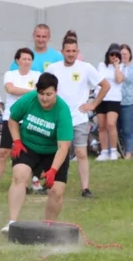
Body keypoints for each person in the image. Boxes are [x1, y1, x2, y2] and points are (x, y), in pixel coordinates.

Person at [1, 73, 73, 233]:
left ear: (56, 92)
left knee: (57, 190)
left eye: (49, 94)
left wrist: (53, 171)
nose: (45, 98)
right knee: (20, 175)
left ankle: (49, 226)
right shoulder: (29, 99)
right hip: (28, 146)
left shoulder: (63, 111)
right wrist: (17, 141)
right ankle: (12, 223)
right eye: (41, 94)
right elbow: (12, 120)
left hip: (53, 152)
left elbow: (63, 146)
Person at [46, 38, 110, 198]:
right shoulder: (53, 68)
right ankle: (50, 182)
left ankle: (85, 188)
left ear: (78, 52)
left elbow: (105, 85)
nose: (71, 54)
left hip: (79, 117)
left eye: (74, 51)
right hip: (58, 118)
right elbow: (43, 89)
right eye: (67, 51)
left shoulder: (86, 68)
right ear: (62, 52)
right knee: (57, 152)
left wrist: (93, 104)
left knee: (81, 153)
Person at [0, 47, 40, 195]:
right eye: (24, 59)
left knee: (25, 154)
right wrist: (32, 92)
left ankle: (24, 185)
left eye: (29, 59)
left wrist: (25, 92)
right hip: (11, 118)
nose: (26, 62)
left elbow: (38, 94)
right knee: (3, 152)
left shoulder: (37, 75)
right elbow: (10, 89)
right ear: (17, 61)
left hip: (29, 119)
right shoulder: (10, 74)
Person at [95, 44, 125, 161]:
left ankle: (113, 150)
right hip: (102, 97)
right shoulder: (101, 66)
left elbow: (119, 79)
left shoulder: (121, 66)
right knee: (102, 126)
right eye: (112, 54)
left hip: (114, 98)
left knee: (111, 124)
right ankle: (104, 151)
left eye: (116, 54)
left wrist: (116, 66)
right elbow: (98, 79)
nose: (114, 57)